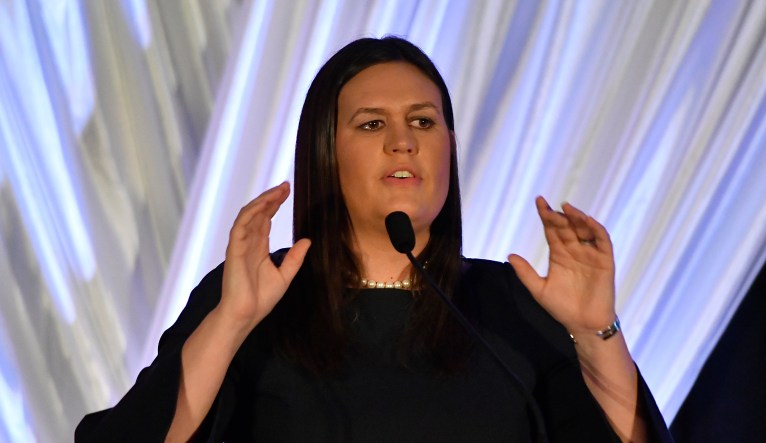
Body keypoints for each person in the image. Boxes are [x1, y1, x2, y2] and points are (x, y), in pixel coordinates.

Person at [76, 36, 672, 442]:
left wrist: (598, 333)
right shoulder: (256, 298)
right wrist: (230, 322)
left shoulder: (513, 303)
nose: (402, 141)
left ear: (447, 148)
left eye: (422, 121)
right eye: (370, 124)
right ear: (325, 153)